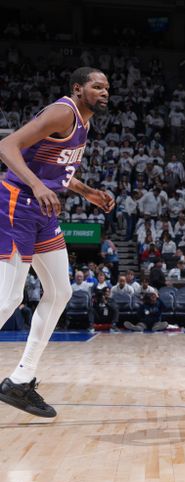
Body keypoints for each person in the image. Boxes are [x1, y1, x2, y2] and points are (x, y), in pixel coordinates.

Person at [0, 67, 114, 418]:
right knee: (8, 298)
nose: (104, 91)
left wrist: (87, 192)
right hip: (17, 202)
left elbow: (59, 170)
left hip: (44, 210)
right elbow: (6, 146)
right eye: (97, 86)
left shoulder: (85, 122)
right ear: (78, 88)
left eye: (107, 87)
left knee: (61, 292)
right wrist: (36, 185)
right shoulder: (63, 111)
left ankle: (21, 380)